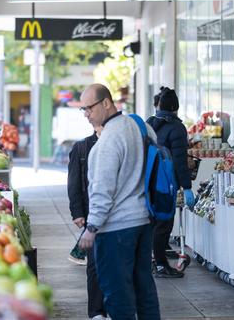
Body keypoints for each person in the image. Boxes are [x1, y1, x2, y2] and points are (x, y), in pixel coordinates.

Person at [78, 84, 161, 319]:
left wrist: (91, 228)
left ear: (106, 103)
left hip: (115, 229)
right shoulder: (138, 126)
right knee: (144, 289)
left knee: (118, 295)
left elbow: (102, 191)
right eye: (83, 110)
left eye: (89, 108)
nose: (86, 114)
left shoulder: (107, 142)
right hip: (143, 222)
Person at [146, 87, 194, 279]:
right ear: (175, 107)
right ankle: (161, 265)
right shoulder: (177, 128)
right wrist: (188, 187)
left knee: (152, 223)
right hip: (166, 183)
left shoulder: (149, 123)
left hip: (148, 181)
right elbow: (180, 161)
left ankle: (151, 262)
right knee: (164, 224)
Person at [67, 124, 106, 320]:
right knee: (94, 264)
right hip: (92, 214)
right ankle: (97, 312)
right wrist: (77, 212)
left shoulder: (120, 145)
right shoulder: (81, 148)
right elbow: (73, 181)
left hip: (118, 216)